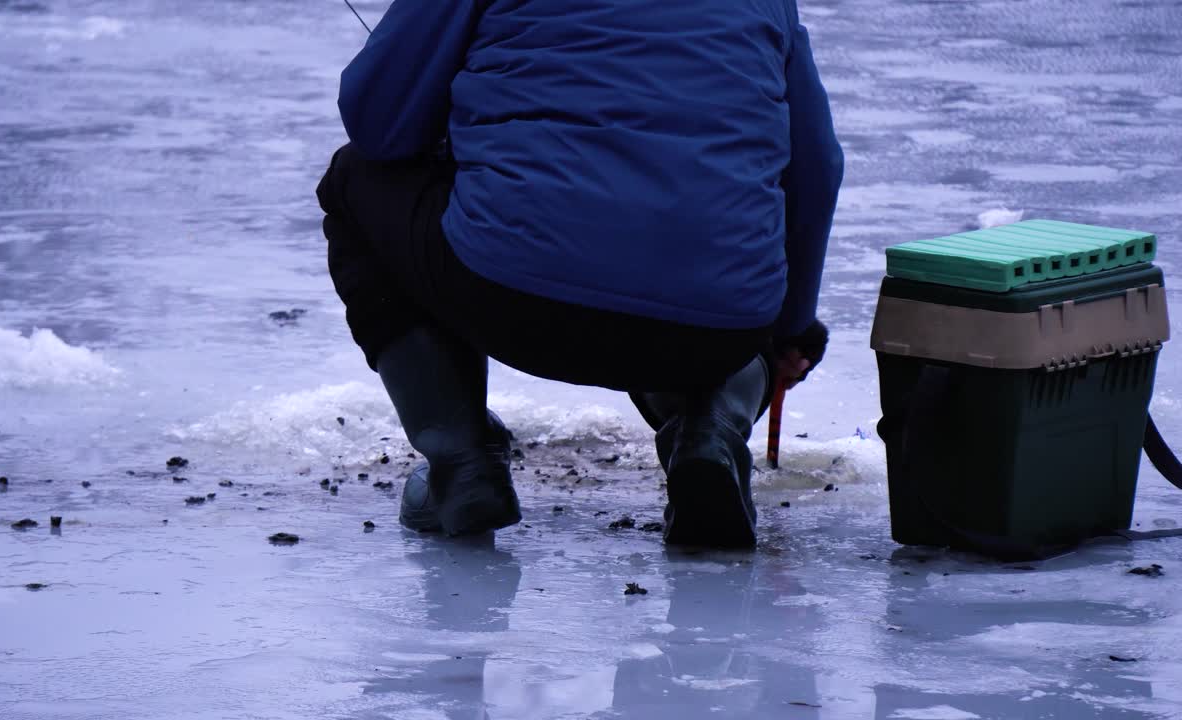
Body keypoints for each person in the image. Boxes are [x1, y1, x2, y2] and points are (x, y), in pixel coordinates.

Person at [316, 0, 844, 548]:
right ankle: (710, 434)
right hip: (715, 332)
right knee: (715, 252)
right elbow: (817, 167)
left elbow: (379, 124)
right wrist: (790, 328)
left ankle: (462, 466)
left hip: (512, 298)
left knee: (354, 179)